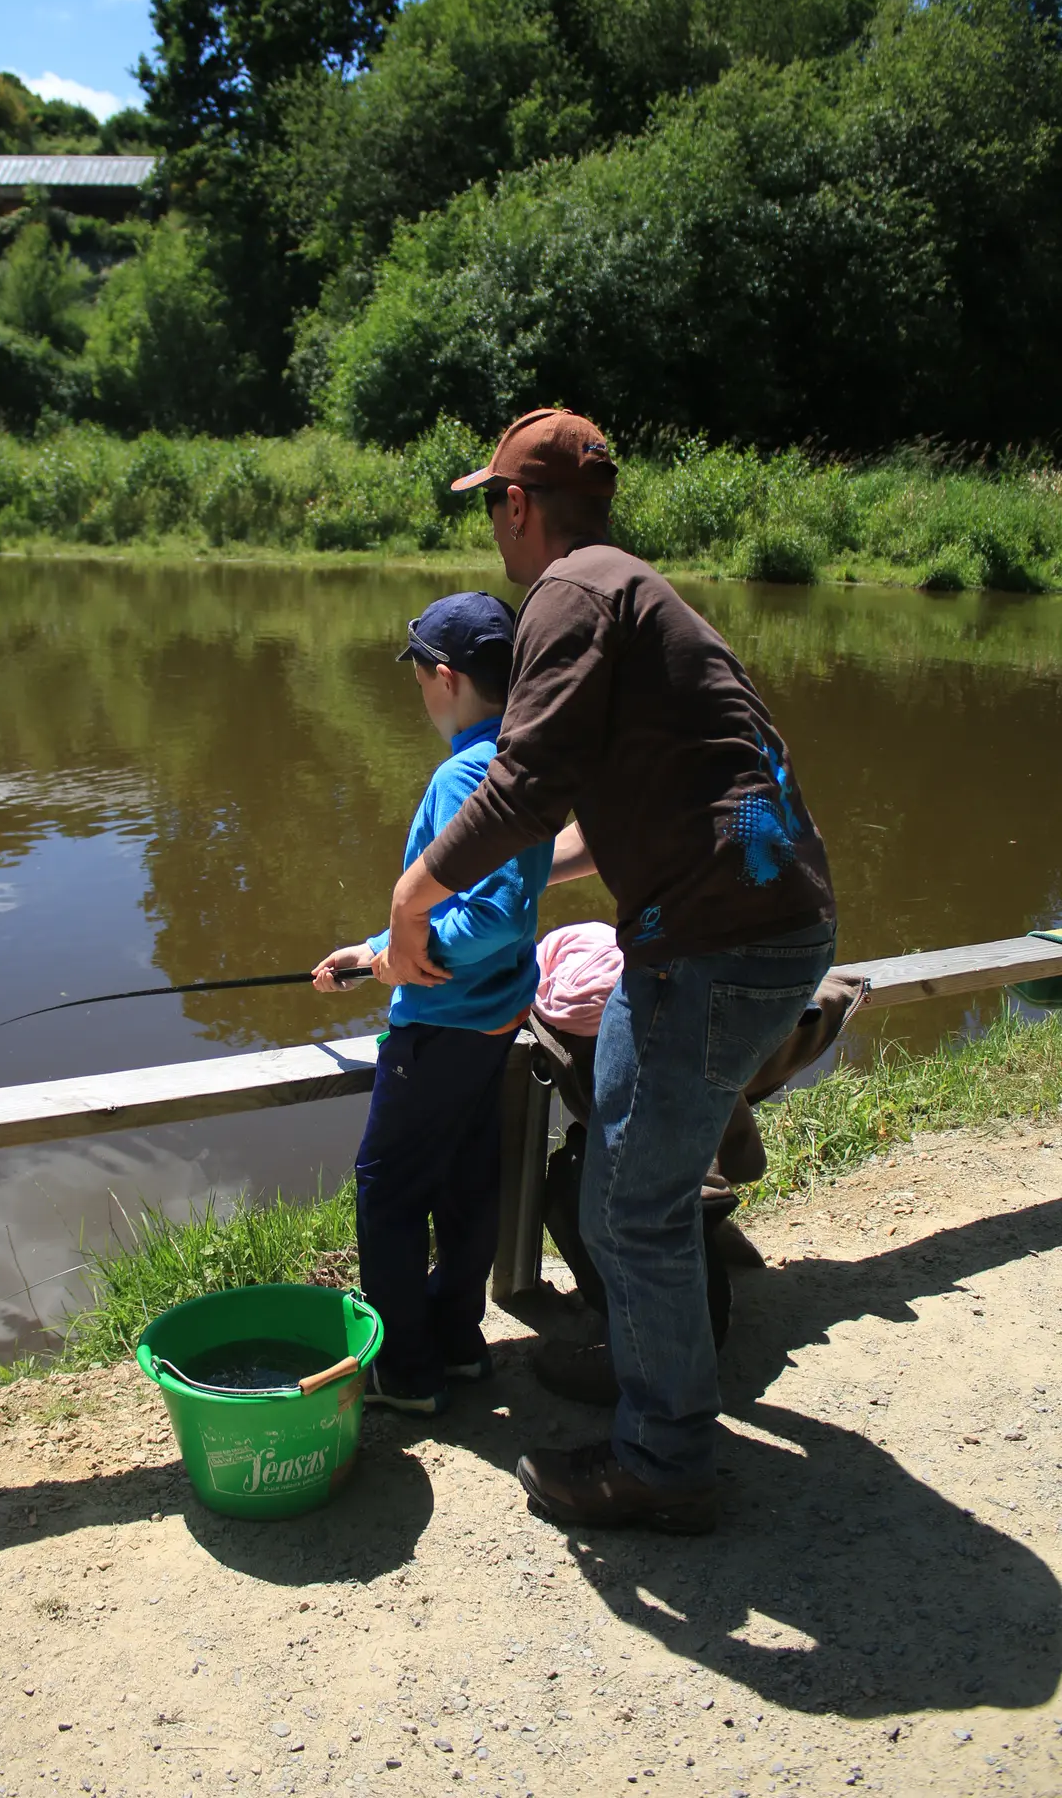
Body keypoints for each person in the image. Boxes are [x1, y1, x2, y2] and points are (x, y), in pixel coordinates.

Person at [383, 408, 837, 1530]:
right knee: (637, 1189)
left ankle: (665, 1461)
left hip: (710, 944)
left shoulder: (566, 595)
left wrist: (412, 896)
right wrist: (534, 874)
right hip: (776, 918)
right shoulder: (636, 587)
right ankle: (656, 1379)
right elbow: (625, 806)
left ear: (516, 505)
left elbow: (526, 785)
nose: (492, 526)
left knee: (631, 1207)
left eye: (491, 504)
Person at [313, 591, 553, 1416]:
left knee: (386, 1189)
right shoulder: (523, 766)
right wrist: (374, 951)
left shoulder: (463, 775)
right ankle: (457, 1342)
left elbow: (493, 915)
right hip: (491, 1023)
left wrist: (410, 963)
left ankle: (404, 1370)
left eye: (419, 679)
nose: (419, 694)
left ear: (445, 679)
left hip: (440, 1028)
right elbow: (474, 901)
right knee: (464, 1184)